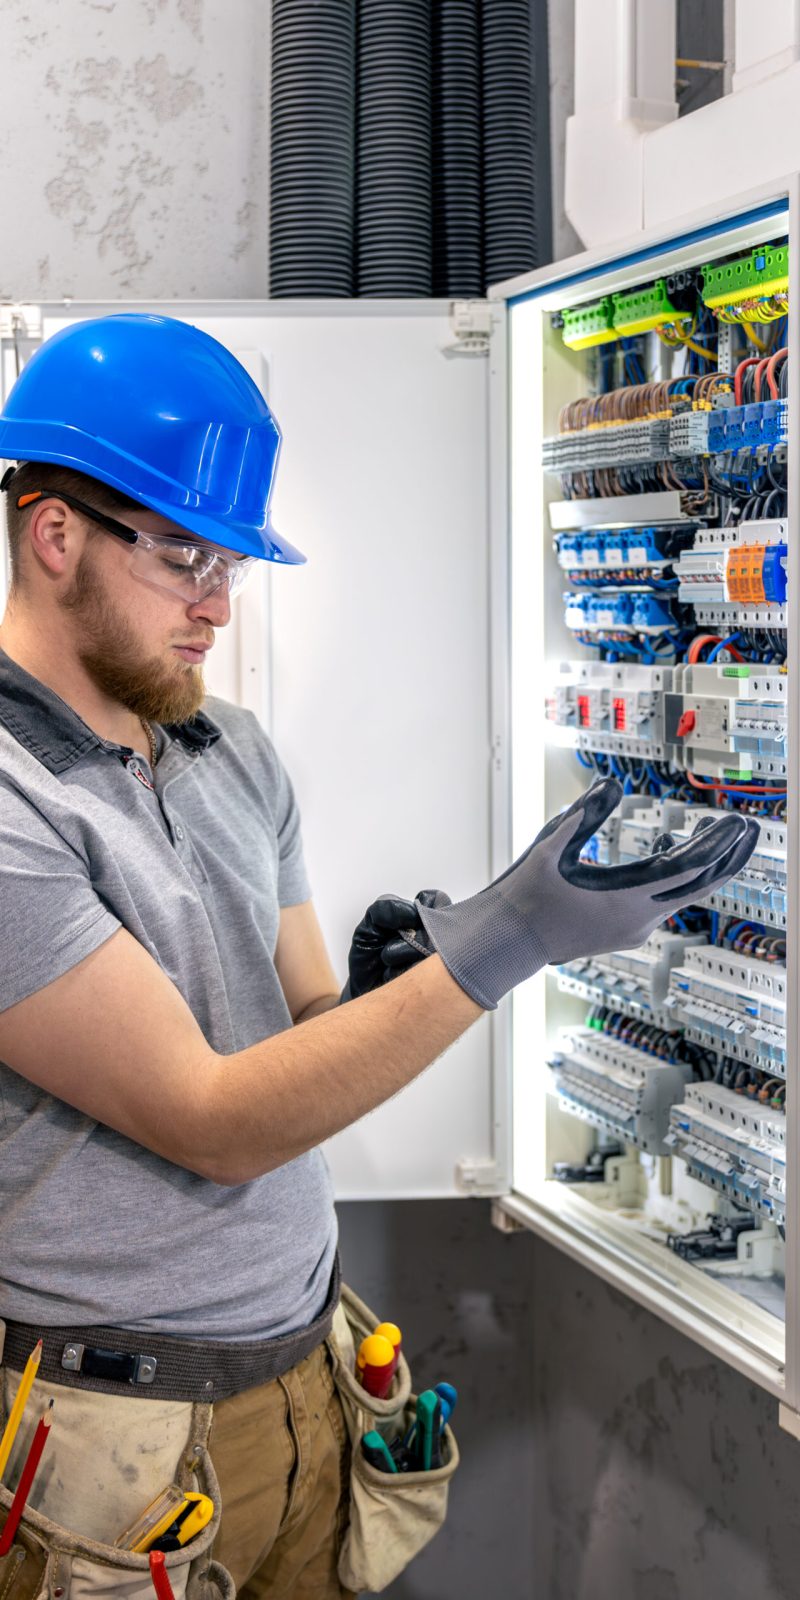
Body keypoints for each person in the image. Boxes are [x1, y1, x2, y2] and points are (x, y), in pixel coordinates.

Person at [0, 314, 757, 1597]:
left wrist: (374, 997)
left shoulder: (230, 748)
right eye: (185, 553)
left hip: (311, 1379)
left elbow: (298, 1036)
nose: (216, 602)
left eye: (231, 561)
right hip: (111, 1443)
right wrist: (504, 944)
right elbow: (214, 1120)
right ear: (54, 533)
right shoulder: (14, 803)